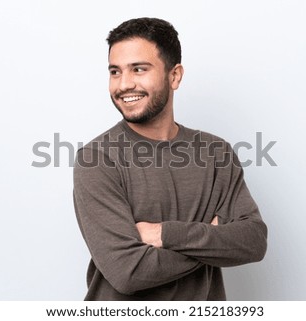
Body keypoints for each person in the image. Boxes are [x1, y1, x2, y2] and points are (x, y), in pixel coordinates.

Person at [73, 17, 267, 300]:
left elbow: (253, 242)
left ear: (174, 75)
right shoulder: (97, 159)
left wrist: (165, 234)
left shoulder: (216, 153)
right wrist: (213, 243)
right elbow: (128, 271)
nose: (124, 84)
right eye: (115, 71)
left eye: (138, 69)